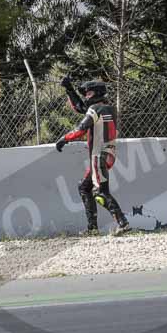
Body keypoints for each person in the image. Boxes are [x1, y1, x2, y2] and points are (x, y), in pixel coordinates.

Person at [55, 76, 130, 235]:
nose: (86, 96)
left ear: (95, 93)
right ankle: (92, 228)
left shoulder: (95, 110)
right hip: (109, 154)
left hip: (98, 156)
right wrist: (70, 90)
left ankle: (122, 222)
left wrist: (64, 138)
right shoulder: (108, 108)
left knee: (100, 192)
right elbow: (81, 107)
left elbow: (81, 128)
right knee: (84, 187)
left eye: (88, 93)